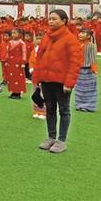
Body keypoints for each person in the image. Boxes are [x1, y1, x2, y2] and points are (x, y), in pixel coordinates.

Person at [33, 9, 82, 154]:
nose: (51, 21)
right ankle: (51, 137)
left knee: (64, 110)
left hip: (62, 82)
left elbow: (75, 62)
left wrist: (69, 83)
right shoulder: (46, 37)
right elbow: (39, 58)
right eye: (49, 19)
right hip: (46, 79)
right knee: (50, 108)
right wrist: (37, 78)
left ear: (64, 21)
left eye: (54, 19)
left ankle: (61, 140)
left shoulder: (70, 39)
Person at [74, 28, 98, 112]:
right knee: (79, 88)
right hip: (78, 69)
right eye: (80, 33)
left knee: (88, 89)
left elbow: (93, 58)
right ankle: (79, 105)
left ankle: (88, 106)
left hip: (87, 70)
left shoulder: (91, 45)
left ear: (88, 36)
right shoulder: (77, 44)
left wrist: (94, 69)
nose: (80, 34)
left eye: (83, 33)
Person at [6, 28, 27, 99]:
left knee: (18, 78)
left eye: (15, 33)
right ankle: (13, 92)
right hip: (11, 62)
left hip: (18, 63)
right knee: (11, 77)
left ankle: (18, 93)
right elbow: (8, 52)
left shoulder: (22, 43)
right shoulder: (10, 42)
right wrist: (7, 60)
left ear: (19, 34)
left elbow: (24, 53)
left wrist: (23, 62)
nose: (13, 35)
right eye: (12, 33)